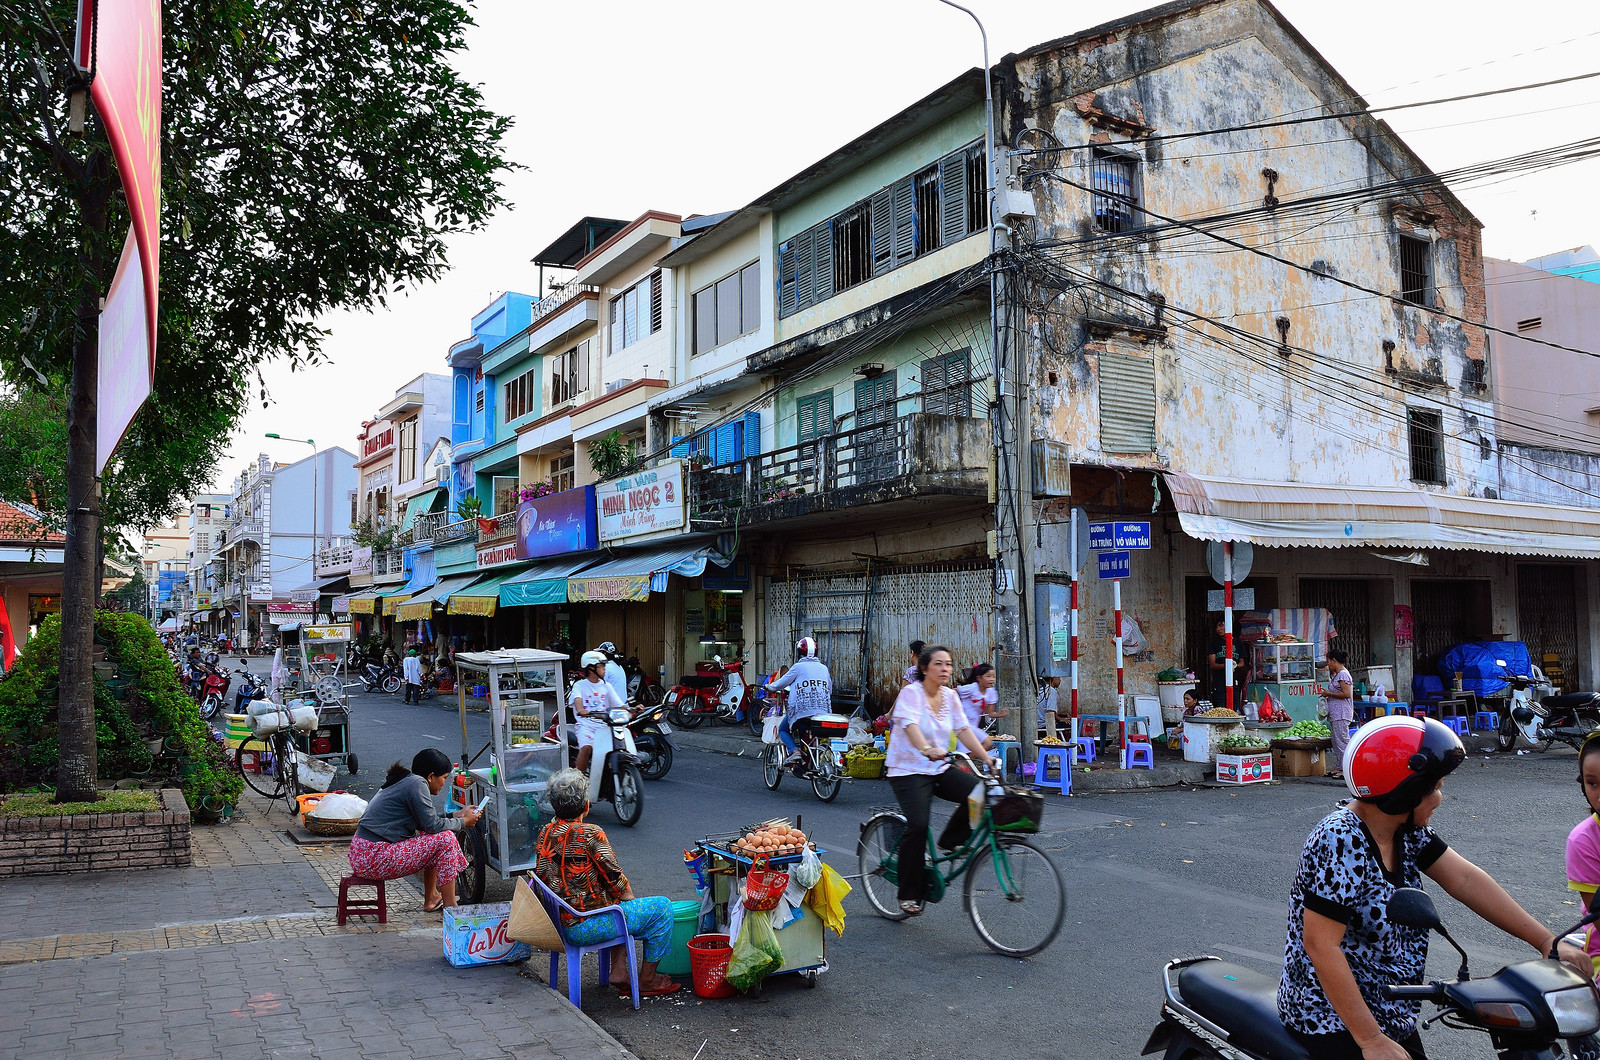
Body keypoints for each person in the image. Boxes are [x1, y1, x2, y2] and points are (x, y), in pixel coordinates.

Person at [1278, 716, 1586, 1059]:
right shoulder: (1339, 839)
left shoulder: (1405, 832)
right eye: (1435, 787)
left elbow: (1465, 880)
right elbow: (1321, 946)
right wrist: (1370, 1040)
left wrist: (1546, 941)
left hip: (1388, 1009)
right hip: (1329, 1015)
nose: (1440, 797)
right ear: (1404, 792)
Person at [534, 769, 681, 996]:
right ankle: (648, 980)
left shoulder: (546, 831)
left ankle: (619, 970)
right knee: (661, 909)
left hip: (558, 921)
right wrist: (628, 900)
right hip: (584, 926)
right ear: (585, 805)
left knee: (613, 901)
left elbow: (544, 874)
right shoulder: (590, 833)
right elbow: (617, 881)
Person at [886, 645, 995, 917]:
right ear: (924, 668)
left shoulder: (950, 696)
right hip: (907, 769)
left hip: (938, 767)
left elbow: (963, 730)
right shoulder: (910, 693)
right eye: (938, 664)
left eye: (948, 664)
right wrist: (926, 749)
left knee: (980, 791)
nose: (945, 669)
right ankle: (908, 894)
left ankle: (948, 841)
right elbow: (910, 727)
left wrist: (986, 757)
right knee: (919, 825)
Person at [350, 748, 481, 913]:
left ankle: (432, 898)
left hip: (363, 853)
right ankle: (451, 909)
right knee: (445, 839)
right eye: (444, 778)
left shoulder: (409, 781)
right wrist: (463, 821)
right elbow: (433, 825)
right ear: (431, 776)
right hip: (372, 857)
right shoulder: (417, 784)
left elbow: (426, 821)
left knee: (433, 836)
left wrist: (457, 815)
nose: (444, 783)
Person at [764, 638, 832, 770]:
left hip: (802, 709)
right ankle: (808, 761)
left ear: (799, 652)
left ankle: (794, 751)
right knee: (806, 730)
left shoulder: (797, 667)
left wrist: (769, 687)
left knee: (783, 729)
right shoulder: (824, 668)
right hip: (823, 711)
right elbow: (829, 689)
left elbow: (781, 683)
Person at [570, 650, 627, 776]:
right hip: (586, 726)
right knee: (586, 747)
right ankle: (579, 780)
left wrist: (631, 709)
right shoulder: (580, 685)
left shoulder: (607, 686)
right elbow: (577, 699)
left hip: (605, 726)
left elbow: (619, 704)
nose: (604, 669)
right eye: (601, 666)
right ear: (591, 668)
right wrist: (581, 710)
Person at [1317, 648, 1355, 779]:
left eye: (1329, 662)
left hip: (1341, 713)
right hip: (1335, 714)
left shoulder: (1343, 675)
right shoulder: (1337, 675)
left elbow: (1347, 693)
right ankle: (1339, 767)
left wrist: (1330, 693)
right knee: (1336, 741)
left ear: (1334, 661)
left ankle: (1346, 769)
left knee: (1342, 741)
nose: (1328, 664)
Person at [955, 663, 1001, 747]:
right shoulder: (972, 688)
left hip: (973, 726)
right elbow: (953, 692)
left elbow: (990, 713)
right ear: (979, 678)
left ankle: (968, 759)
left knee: (967, 755)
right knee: (987, 742)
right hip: (963, 724)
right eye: (988, 676)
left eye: (993, 676)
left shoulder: (991, 692)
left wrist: (999, 714)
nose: (992, 679)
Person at [1207, 618, 1245, 708]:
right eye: (1216, 627)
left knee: (1234, 706)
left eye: (1221, 625)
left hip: (1234, 681)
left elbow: (1242, 663)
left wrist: (1235, 665)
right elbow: (1212, 664)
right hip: (1219, 682)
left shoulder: (1238, 643)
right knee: (1220, 706)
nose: (1217, 629)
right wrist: (1226, 666)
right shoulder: (1214, 643)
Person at [597, 641, 629, 705]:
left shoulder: (606, 667)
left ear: (604, 654)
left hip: (613, 709)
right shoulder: (619, 666)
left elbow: (599, 687)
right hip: (623, 706)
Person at [1037, 673, 1063, 741]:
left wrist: (1062, 714)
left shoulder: (1041, 690)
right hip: (1044, 725)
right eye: (1059, 678)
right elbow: (1050, 712)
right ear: (1053, 679)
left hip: (1037, 723)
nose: (1060, 680)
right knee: (1070, 724)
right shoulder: (1052, 691)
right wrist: (1060, 719)